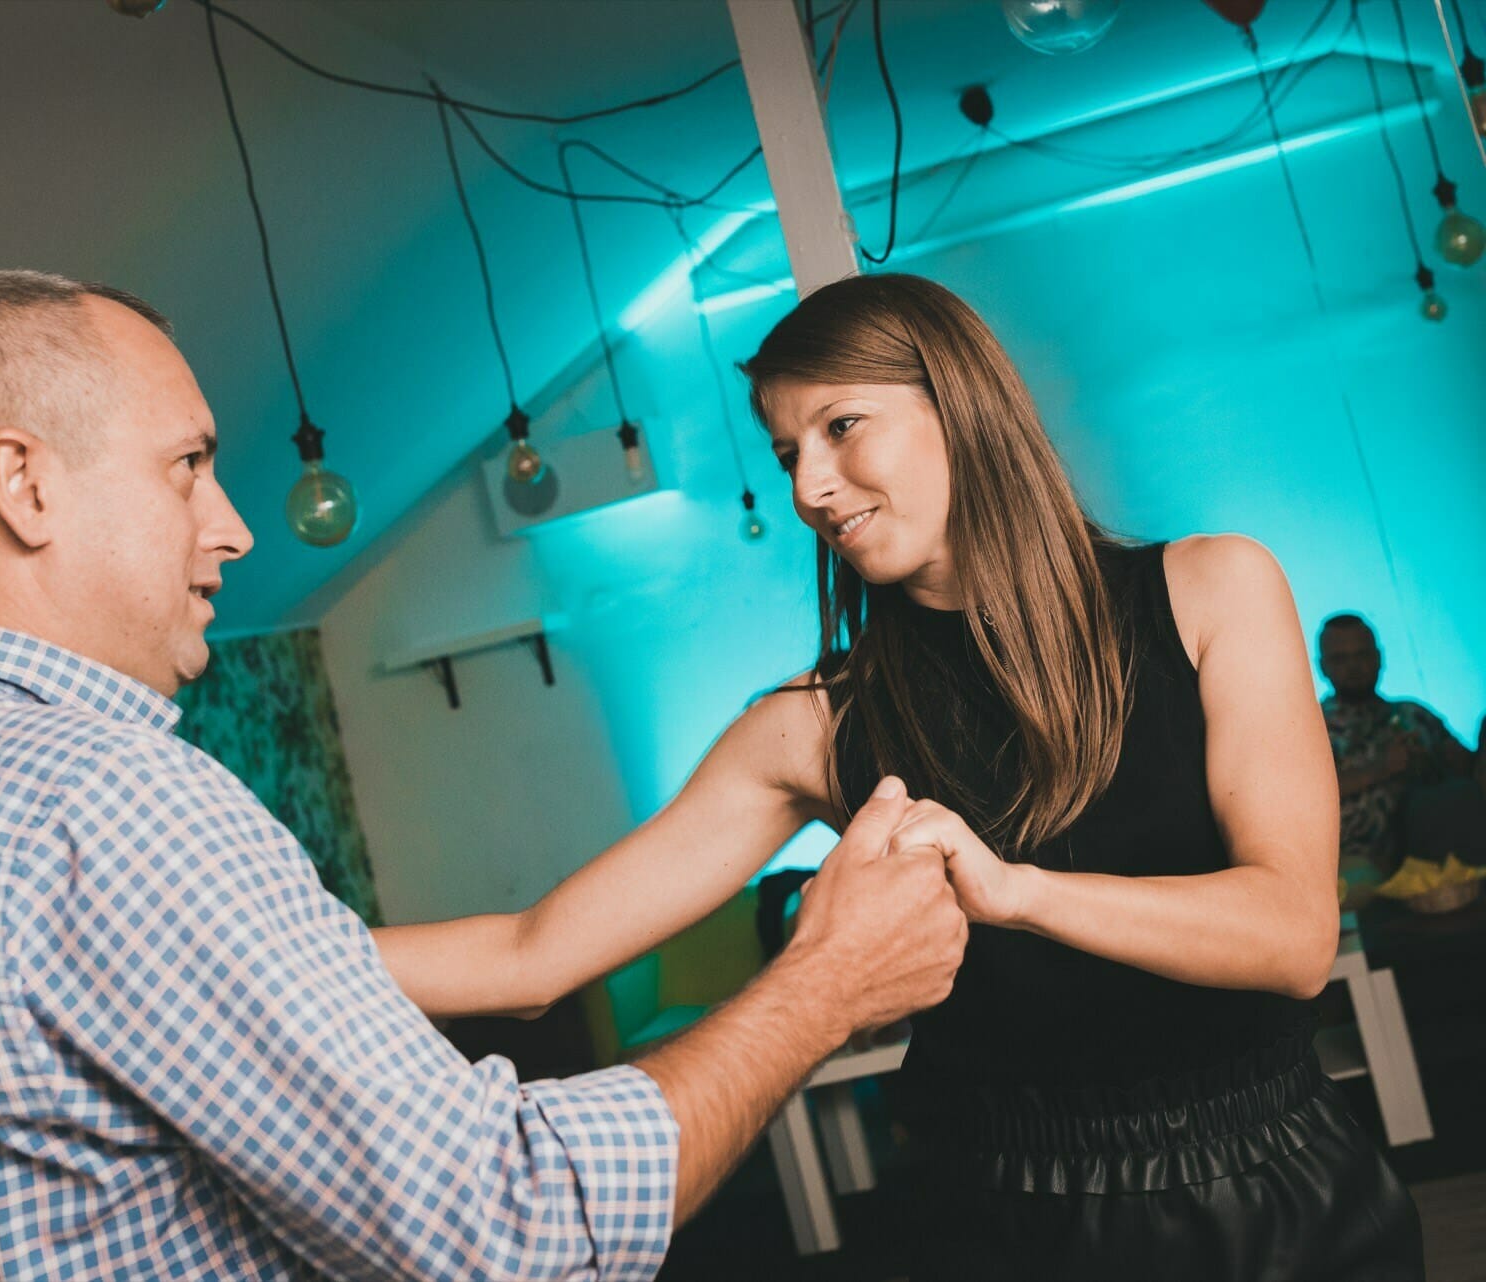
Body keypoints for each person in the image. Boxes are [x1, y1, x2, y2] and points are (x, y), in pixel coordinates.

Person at [0, 270, 970, 1281]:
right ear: (24, 482)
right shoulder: (106, 808)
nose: (235, 528)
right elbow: (509, 1229)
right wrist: (823, 985)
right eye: (187, 466)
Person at [376, 273, 1423, 1280]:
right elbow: (530, 956)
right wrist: (238, 944)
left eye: (840, 428)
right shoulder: (812, 727)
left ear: (959, 402)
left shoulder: (1211, 591)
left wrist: (1018, 891)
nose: (807, 488)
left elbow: (1291, 936)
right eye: (788, 451)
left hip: (1274, 1203)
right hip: (998, 1222)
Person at [1318, 613, 1477, 899]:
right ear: (1323, 667)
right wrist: (1380, 768)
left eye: (1362, 655)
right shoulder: (1310, 728)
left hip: (1435, 854)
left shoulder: (1413, 715)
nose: (1354, 667)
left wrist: (1434, 760)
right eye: (1341, 659)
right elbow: (1300, 798)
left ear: (1379, 658)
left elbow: (1469, 770)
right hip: (1352, 862)